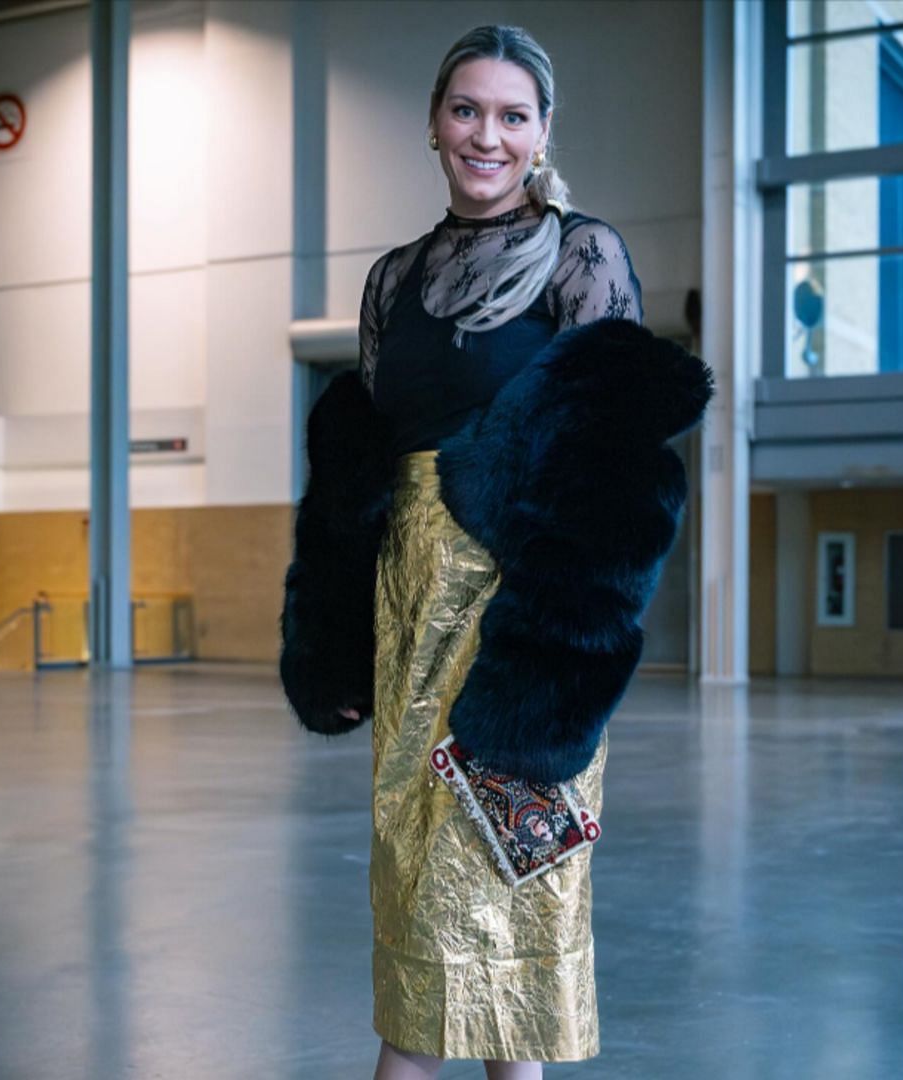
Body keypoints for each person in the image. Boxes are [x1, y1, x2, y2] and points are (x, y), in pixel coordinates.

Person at [277, 25, 711, 1080]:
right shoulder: (392, 282)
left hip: (527, 633)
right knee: (417, 891)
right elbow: (363, 478)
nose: (488, 134)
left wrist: (555, 674)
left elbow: (614, 479)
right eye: (468, 110)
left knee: (517, 900)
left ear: (541, 132)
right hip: (409, 610)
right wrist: (333, 645)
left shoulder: (583, 255)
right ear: (434, 124)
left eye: (513, 115)